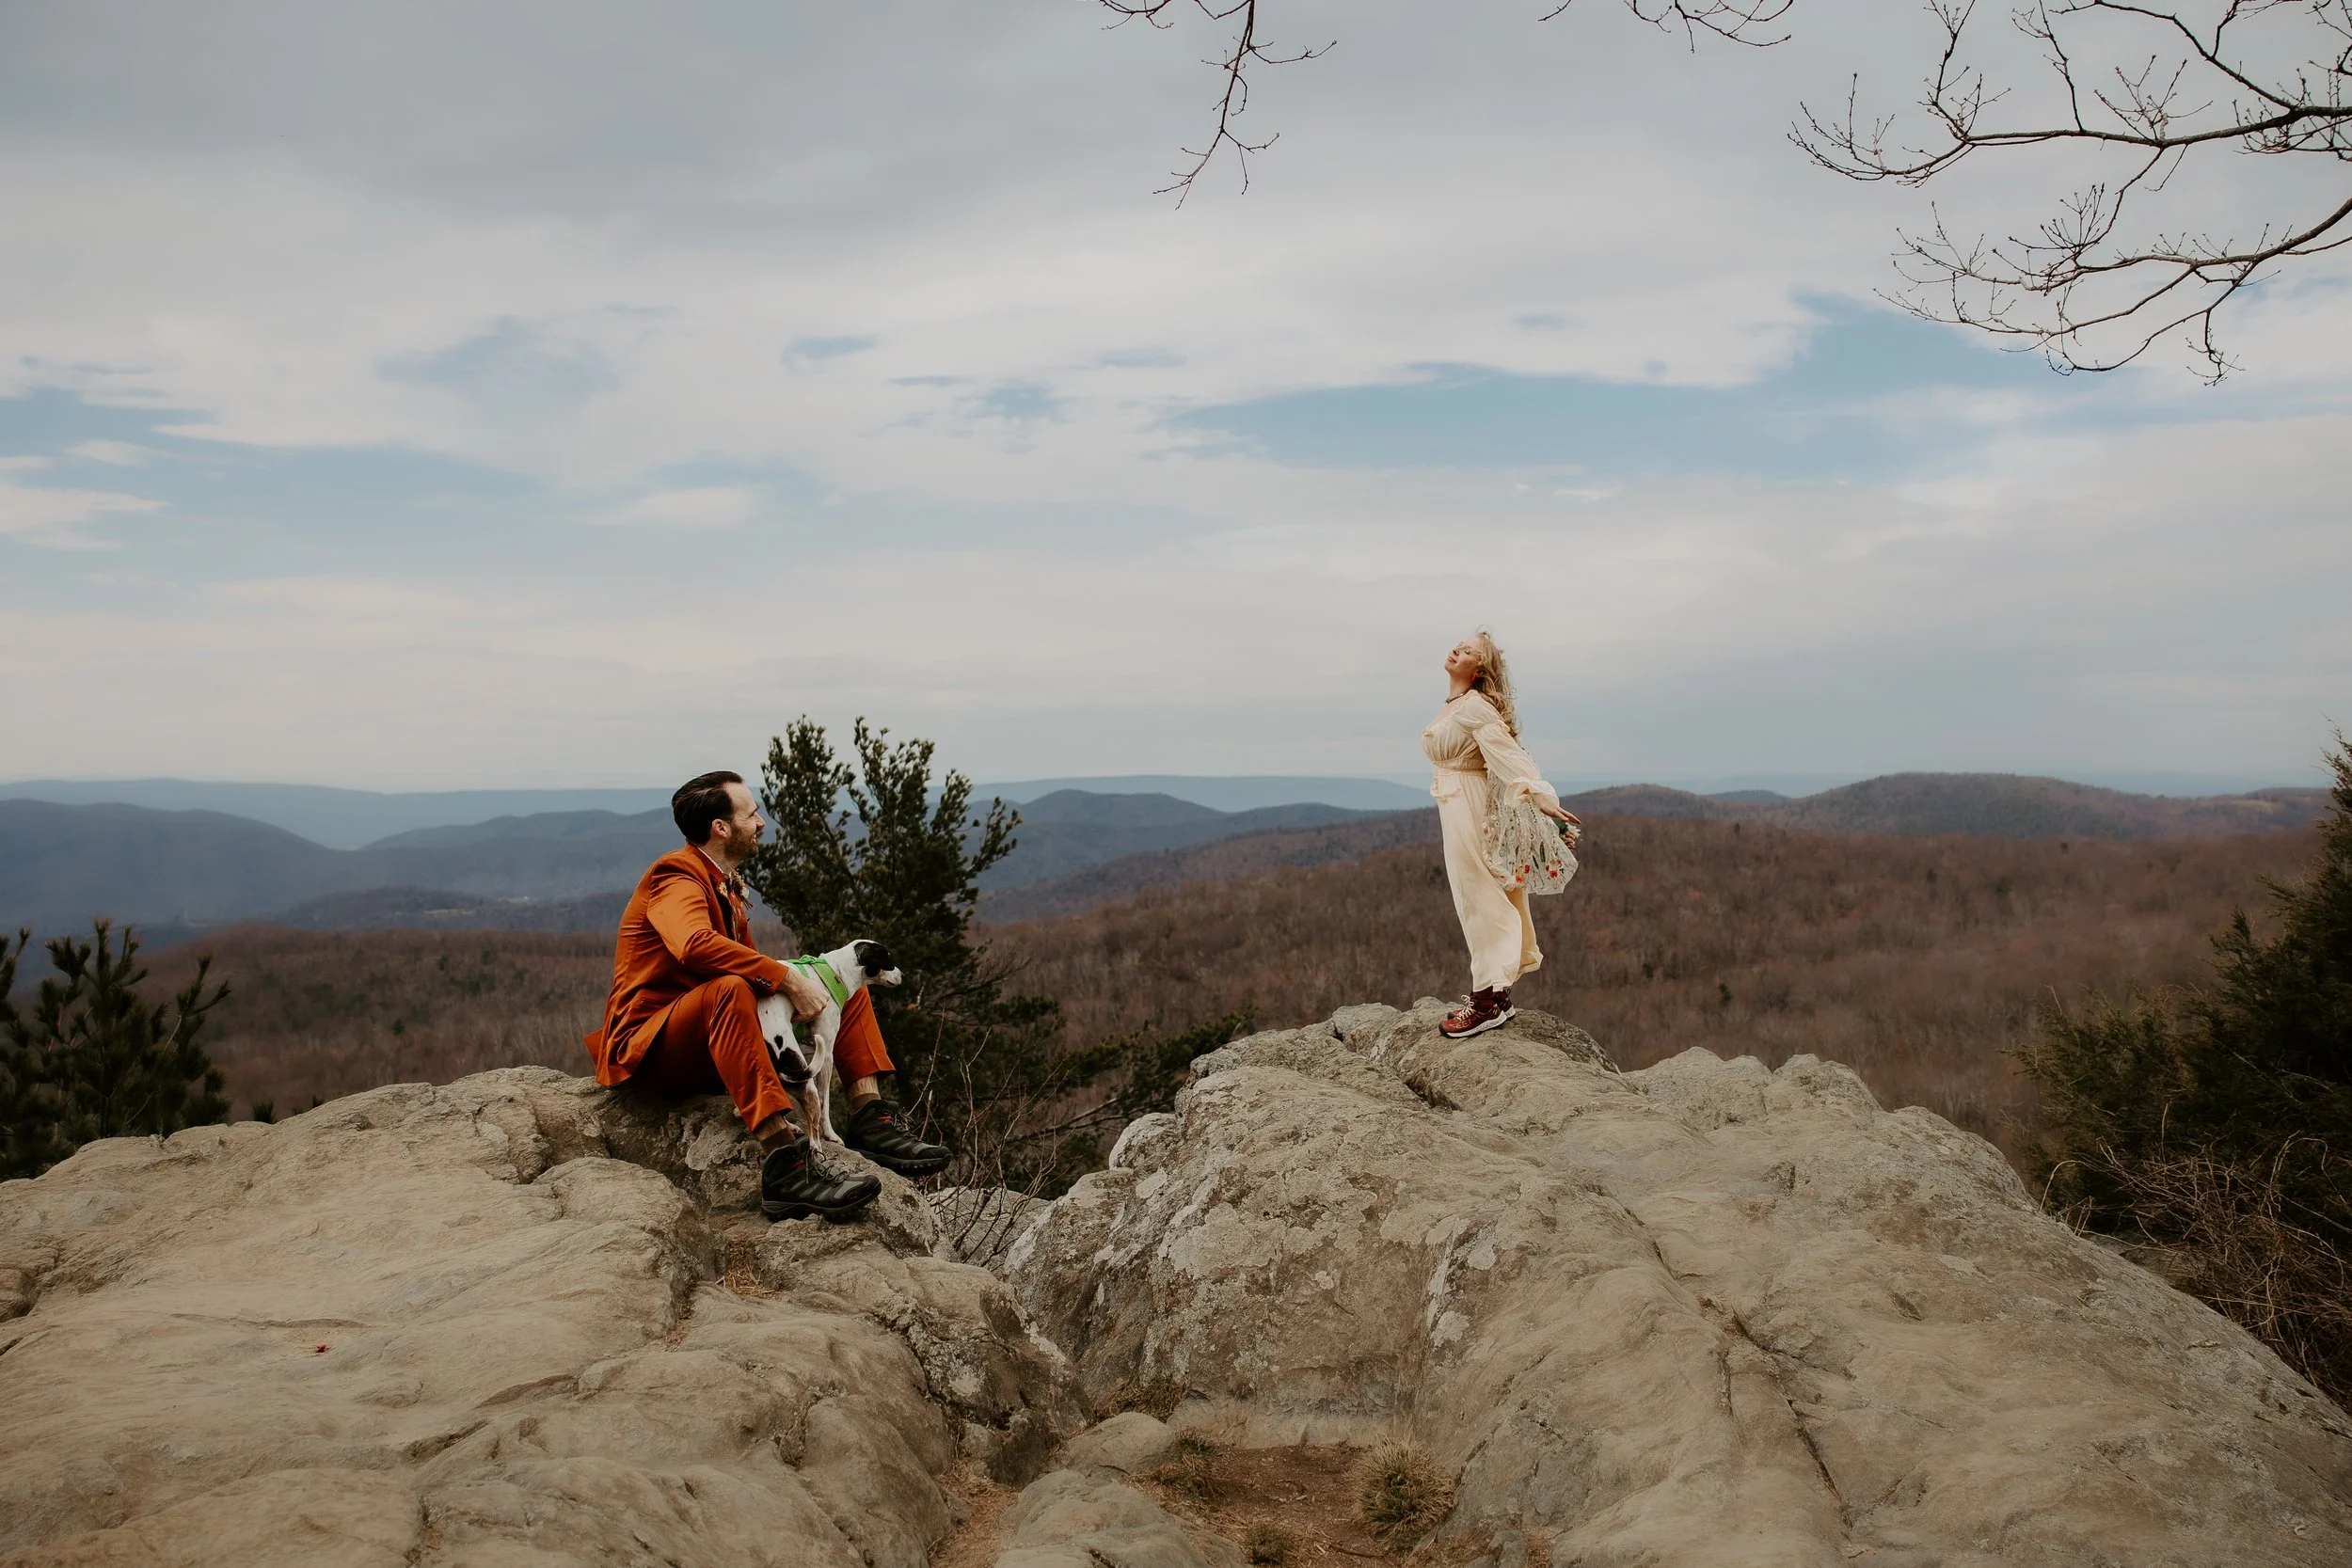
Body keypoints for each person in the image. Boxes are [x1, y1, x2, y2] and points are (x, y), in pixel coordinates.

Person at [584, 770, 951, 1222]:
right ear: (721, 828)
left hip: (713, 1044)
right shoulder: (676, 876)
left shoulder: (725, 884)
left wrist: (804, 981)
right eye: (752, 813)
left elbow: (755, 978)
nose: (761, 823)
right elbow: (693, 944)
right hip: (650, 1049)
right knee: (735, 988)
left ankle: (870, 1116)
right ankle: (785, 1164)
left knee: (837, 982)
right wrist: (784, 976)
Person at [1422, 632, 1581, 1039]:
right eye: (1459, 644)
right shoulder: (1454, 704)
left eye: (1469, 650)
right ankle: (1498, 993)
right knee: (1479, 892)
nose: (1457, 649)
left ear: (1478, 670)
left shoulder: (1474, 707)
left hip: (1468, 807)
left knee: (1478, 896)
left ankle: (1487, 1001)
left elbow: (1509, 754)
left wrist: (1539, 794)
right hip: (1456, 804)